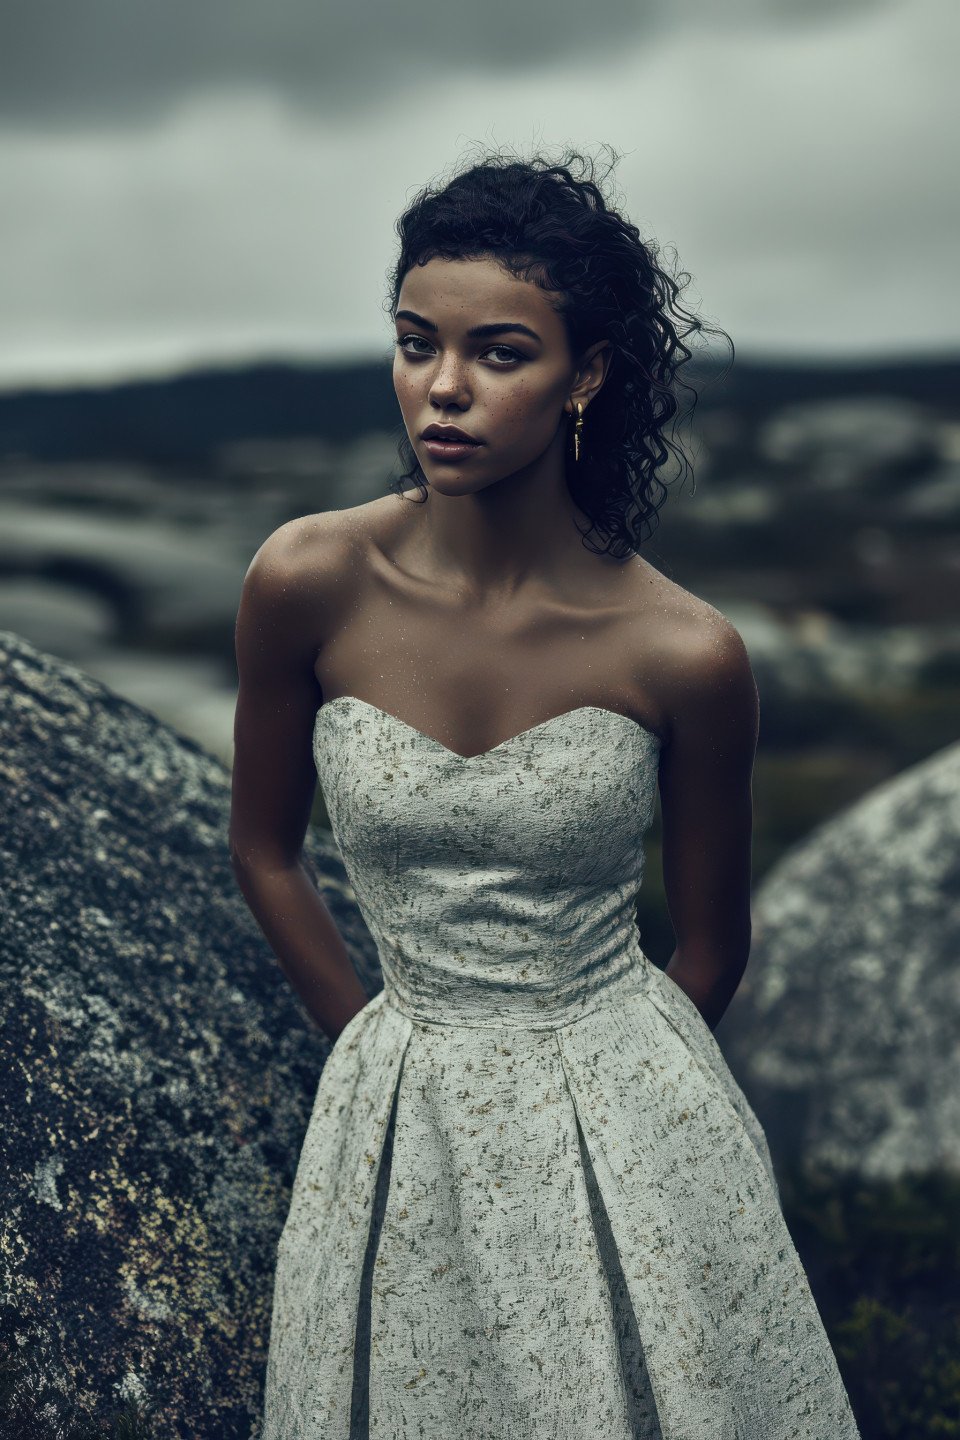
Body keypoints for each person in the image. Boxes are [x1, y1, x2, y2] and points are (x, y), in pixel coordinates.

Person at [231, 147, 862, 1439]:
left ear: (587, 374)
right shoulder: (306, 578)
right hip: (398, 1094)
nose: (443, 390)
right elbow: (267, 849)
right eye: (417, 344)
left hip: (631, 1115)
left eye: (499, 353)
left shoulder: (686, 652)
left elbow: (711, 944)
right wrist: (371, 1045)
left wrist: (623, 1117)